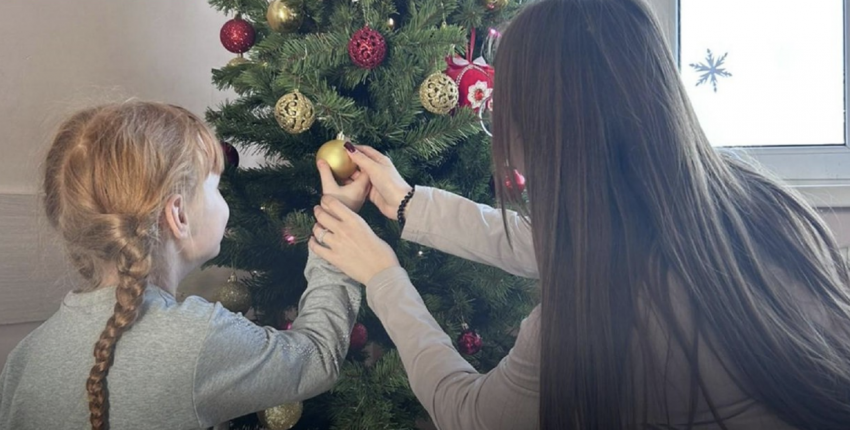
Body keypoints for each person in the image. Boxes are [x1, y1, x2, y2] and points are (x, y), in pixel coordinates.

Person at [308, 0, 850, 428]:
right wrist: (408, 203)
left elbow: (471, 415)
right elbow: (542, 241)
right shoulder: (767, 207)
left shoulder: (594, 318)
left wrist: (383, 278)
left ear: (538, 132)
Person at [0, 101, 370, 430]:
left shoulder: (25, 357)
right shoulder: (200, 340)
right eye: (216, 186)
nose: (222, 199)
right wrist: (337, 222)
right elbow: (316, 357)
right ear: (178, 214)